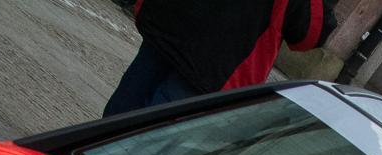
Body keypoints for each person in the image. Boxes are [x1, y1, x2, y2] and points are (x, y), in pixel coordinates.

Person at [103, 0, 337, 117]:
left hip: (168, 25)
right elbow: (308, 32)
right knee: (136, 146)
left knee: (113, 123)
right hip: (217, 63)